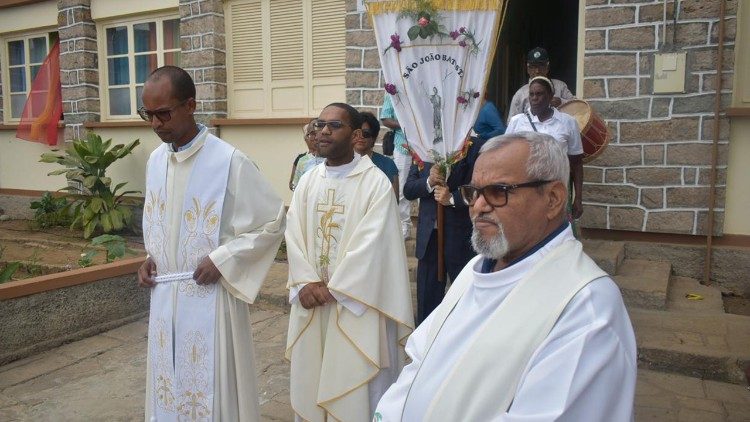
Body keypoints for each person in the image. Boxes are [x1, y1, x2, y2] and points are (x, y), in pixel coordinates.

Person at [375, 132, 637, 421]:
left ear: (553, 199)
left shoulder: (586, 307)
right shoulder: (474, 271)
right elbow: (420, 364)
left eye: (498, 192)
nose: (478, 206)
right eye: (473, 192)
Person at [137, 66, 286, 421]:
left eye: (164, 113)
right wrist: (149, 257)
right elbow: (164, 223)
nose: (156, 124)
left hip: (210, 297)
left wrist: (223, 258)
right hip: (165, 297)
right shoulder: (156, 160)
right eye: (148, 115)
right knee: (167, 387)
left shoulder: (228, 161)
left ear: (190, 105)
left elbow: (272, 221)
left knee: (210, 393)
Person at [285, 103, 414, 422]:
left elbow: (375, 246)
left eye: (334, 125)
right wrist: (304, 282)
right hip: (313, 304)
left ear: (357, 135)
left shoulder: (375, 183)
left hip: (356, 306)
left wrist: (335, 289)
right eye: (320, 124)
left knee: (354, 388)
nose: (324, 131)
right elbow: (294, 234)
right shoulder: (308, 181)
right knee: (313, 381)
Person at [404, 138, 483, 324]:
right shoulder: (424, 146)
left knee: (463, 295)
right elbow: (409, 189)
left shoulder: (474, 147)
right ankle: (424, 346)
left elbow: (478, 189)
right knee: (427, 298)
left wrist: (452, 198)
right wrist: (429, 181)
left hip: (459, 236)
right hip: (429, 237)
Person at [506, 76, 584, 220]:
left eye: (539, 94)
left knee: (555, 232)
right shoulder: (517, 122)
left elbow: (577, 163)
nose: (534, 98)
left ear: (550, 97)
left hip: (556, 189)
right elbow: (506, 158)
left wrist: (578, 198)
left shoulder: (568, 123)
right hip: (524, 188)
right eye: (531, 94)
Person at [508, 47, 575, 118]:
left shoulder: (560, 86)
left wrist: (561, 101)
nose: (537, 71)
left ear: (547, 67)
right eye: (533, 67)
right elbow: (512, 123)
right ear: (528, 69)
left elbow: (578, 107)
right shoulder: (520, 94)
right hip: (531, 129)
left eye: (541, 66)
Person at [381, 95, 413, 239]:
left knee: (427, 185)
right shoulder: (392, 91)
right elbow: (385, 118)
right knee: (402, 187)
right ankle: (403, 225)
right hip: (402, 146)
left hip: (426, 145)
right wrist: (407, 123)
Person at [355, 111, 399, 197]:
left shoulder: (387, 164)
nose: (360, 137)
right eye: (357, 133)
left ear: (373, 138)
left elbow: (393, 200)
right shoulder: (342, 162)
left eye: (366, 133)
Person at [289, 120, 317, 191]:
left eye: (316, 134)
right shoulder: (302, 160)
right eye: (309, 135)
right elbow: (294, 184)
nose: (313, 138)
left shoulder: (331, 159)